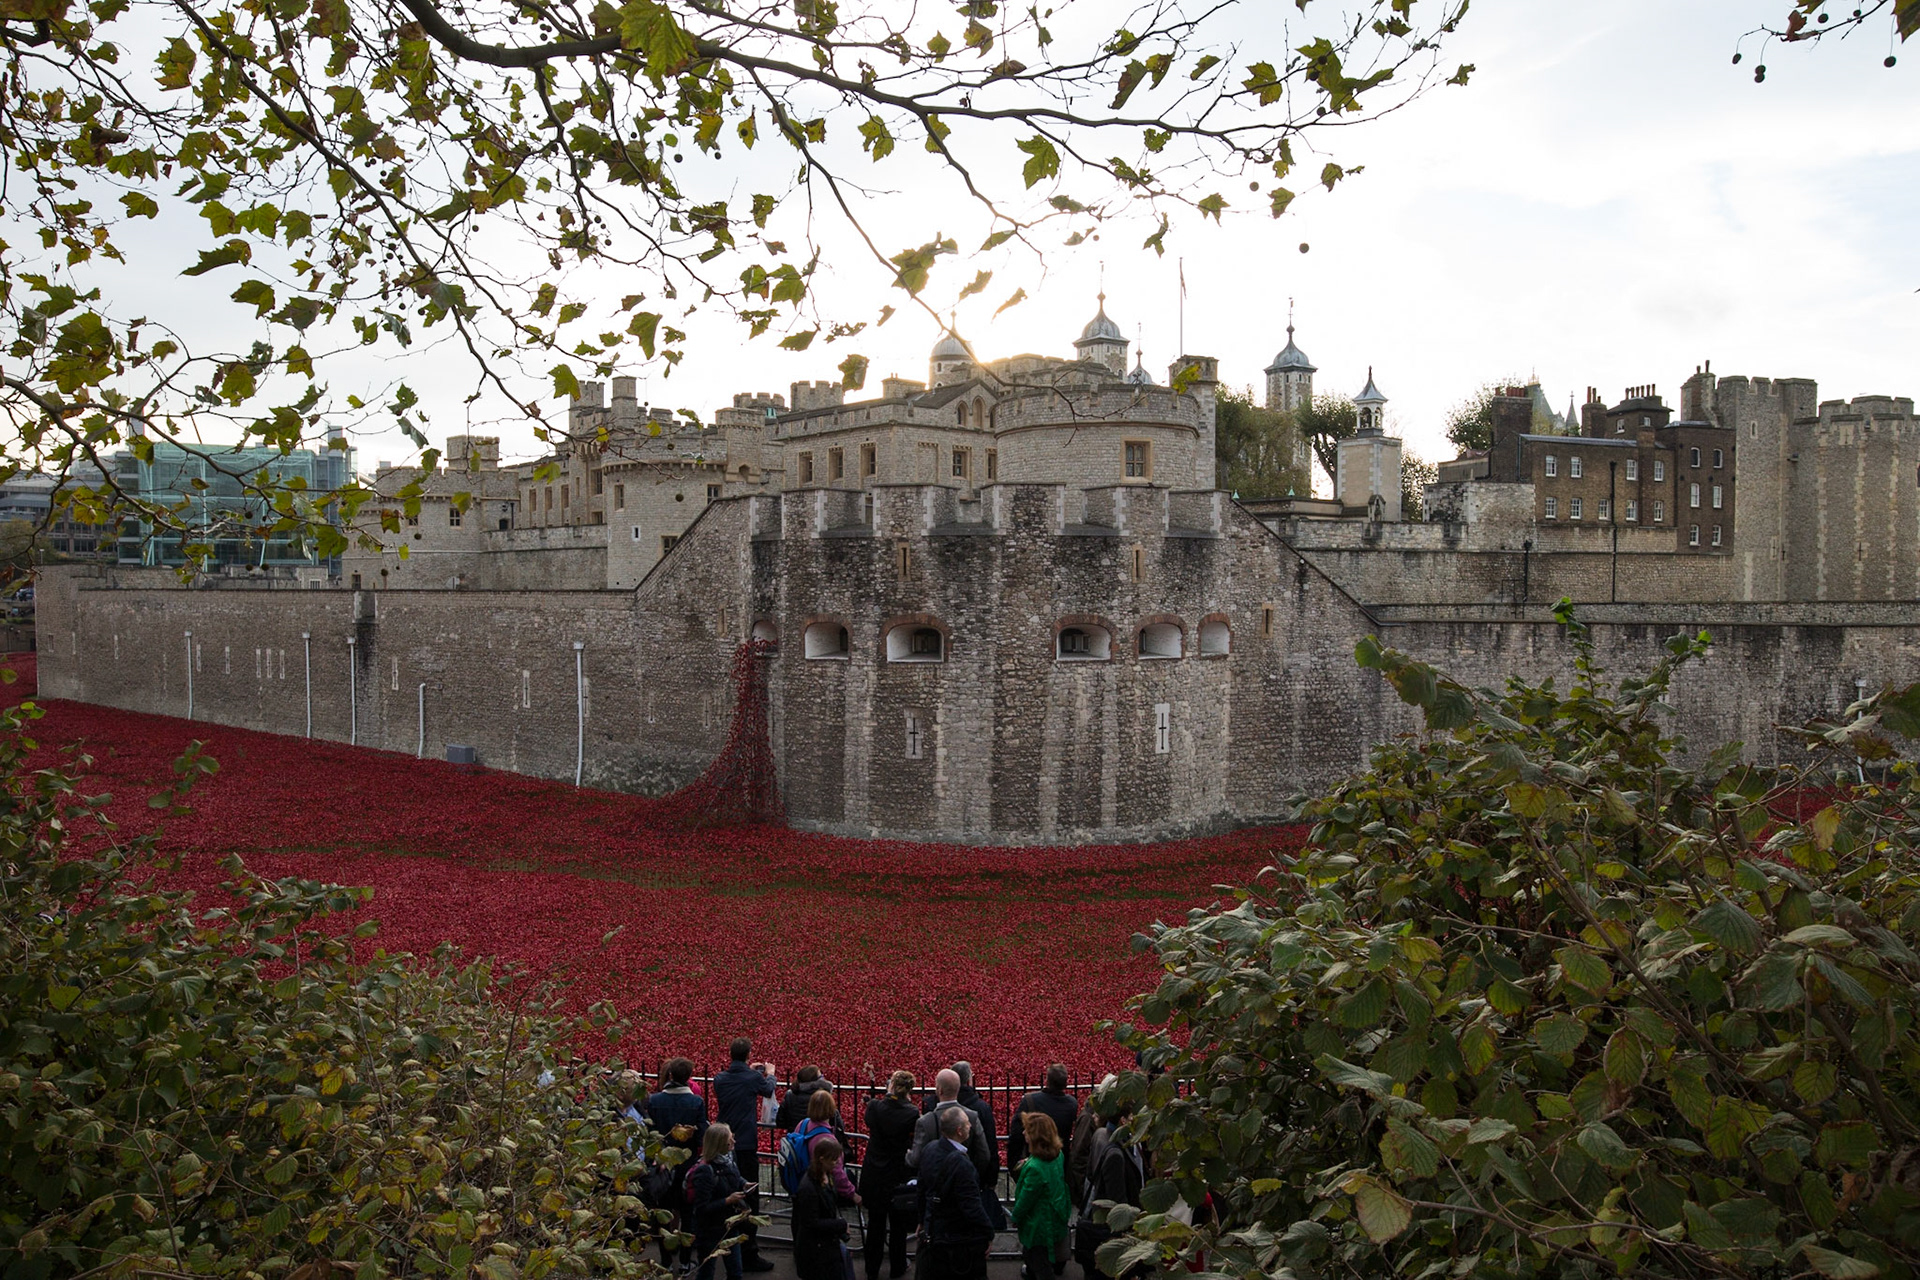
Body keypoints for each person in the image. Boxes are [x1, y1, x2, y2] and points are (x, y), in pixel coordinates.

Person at [712, 1039, 778, 1272]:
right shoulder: (752, 1079)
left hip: (724, 1143)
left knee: (727, 1194)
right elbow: (768, 1089)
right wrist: (769, 1073)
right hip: (746, 1144)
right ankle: (749, 1252)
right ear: (748, 1055)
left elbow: (735, 1083)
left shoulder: (719, 1079)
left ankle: (730, 1248)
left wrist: (748, 1071)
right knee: (750, 1197)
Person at [648, 1058, 708, 1274]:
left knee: (664, 1214)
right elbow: (702, 1135)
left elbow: (650, 1134)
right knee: (687, 1215)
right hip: (687, 1165)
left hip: (663, 1165)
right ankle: (684, 1260)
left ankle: (665, 1259)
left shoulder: (654, 1101)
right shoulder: (696, 1103)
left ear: (670, 1075)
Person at [920, 1105, 994, 1280]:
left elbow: (922, 1188)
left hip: (935, 1228)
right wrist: (988, 1233)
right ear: (960, 1131)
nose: (971, 1126)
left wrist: (922, 1219)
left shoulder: (929, 1149)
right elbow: (971, 1206)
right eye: (968, 1124)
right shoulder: (963, 1165)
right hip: (957, 1239)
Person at [1073, 1105, 1146, 1280]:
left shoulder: (1100, 1134)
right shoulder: (1116, 1154)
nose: (1133, 1120)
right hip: (1109, 1228)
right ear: (1123, 1120)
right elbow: (1118, 1202)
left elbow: (1090, 1173)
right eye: (1131, 1116)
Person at [861, 1070, 921, 1280]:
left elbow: (869, 1121)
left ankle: (871, 1270)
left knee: (875, 1225)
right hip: (897, 1173)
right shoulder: (912, 1112)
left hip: (875, 1173)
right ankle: (897, 1266)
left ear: (892, 1086)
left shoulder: (875, 1106)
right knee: (898, 1226)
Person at [1009, 1113, 1070, 1280]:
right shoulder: (1058, 1155)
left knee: (1039, 1263)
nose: (1023, 1133)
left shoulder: (1035, 1168)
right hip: (1054, 1216)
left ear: (1035, 1137)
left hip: (1039, 1224)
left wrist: (1016, 1216)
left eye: (1027, 1131)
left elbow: (1026, 1199)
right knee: (1036, 1256)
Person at [688, 1123, 752, 1280]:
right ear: (721, 1144)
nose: (734, 1143)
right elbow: (702, 1207)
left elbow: (732, 1176)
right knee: (706, 1271)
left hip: (730, 1226)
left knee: (736, 1271)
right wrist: (728, 1200)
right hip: (710, 1229)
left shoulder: (728, 1158)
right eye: (731, 1140)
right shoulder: (704, 1171)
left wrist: (743, 1183)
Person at [908, 1069, 991, 1177]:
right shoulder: (972, 1116)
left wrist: (908, 1155)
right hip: (964, 1180)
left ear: (940, 1090)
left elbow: (916, 1159)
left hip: (935, 1183)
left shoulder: (925, 1122)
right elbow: (984, 1155)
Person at [791, 1135, 852, 1280]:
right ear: (822, 1159)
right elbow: (811, 1223)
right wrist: (840, 1225)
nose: (837, 1162)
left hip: (826, 1246)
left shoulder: (826, 1174)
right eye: (834, 1159)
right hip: (815, 1252)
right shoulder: (808, 1188)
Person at [1007, 1066, 1078, 1172]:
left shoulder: (1029, 1101)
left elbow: (1016, 1136)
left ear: (1047, 1080)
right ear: (1065, 1083)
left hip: (1034, 1160)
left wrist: (1013, 1165)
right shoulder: (1072, 1104)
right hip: (1060, 1162)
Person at [803, 1089, 862, 1205]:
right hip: (821, 1188)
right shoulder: (828, 1140)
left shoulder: (803, 1124)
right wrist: (853, 1194)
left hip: (804, 1179)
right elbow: (837, 1173)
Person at [776, 1064, 834, 1131]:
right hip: (818, 1136)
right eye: (821, 1076)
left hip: (796, 1136)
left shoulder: (790, 1095)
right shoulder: (823, 1096)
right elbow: (834, 1120)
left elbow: (780, 1122)